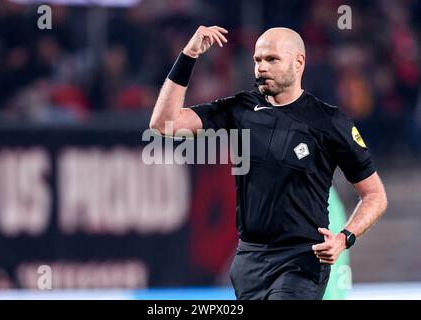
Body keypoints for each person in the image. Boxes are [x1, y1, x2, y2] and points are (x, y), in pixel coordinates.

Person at [149, 26, 388, 300]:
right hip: (249, 261)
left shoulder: (330, 122)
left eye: (271, 59)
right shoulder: (239, 111)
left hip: (302, 260)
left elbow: (375, 195)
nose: (261, 67)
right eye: (257, 60)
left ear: (299, 62)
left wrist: (345, 237)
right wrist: (188, 56)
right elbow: (163, 124)